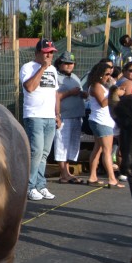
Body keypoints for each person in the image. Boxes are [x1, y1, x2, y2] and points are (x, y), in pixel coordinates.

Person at [20, 39, 60, 201]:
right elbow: (29, 87)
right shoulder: (28, 67)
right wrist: (43, 68)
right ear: (38, 53)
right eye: (46, 52)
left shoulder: (54, 70)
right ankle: (29, 187)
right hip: (34, 115)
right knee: (35, 152)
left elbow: (55, 93)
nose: (49, 55)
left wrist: (58, 114)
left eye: (51, 52)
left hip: (50, 116)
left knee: (44, 153)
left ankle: (40, 184)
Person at [84, 62, 124, 188]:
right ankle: (112, 179)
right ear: (100, 74)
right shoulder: (95, 86)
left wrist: (115, 91)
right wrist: (115, 93)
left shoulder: (102, 86)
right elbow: (103, 102)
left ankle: (92, 176)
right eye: (106, 74)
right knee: (107, 151)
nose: (109, 77)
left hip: (102, 121)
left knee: (98, 148)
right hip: (101, 121)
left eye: (110, 74)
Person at [52, 52, 85, 184]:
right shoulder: (57, 77)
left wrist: (82, 94)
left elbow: (79, 92)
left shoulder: (75, 77)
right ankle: (63, 173)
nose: (69, 65)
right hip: (64, 116)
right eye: (66, 63)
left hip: (77, 116)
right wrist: (70, 93)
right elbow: (56, 97)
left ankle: (67, 172)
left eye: (71, 63)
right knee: (61, 145)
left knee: (71, 146)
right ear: (59, 64)